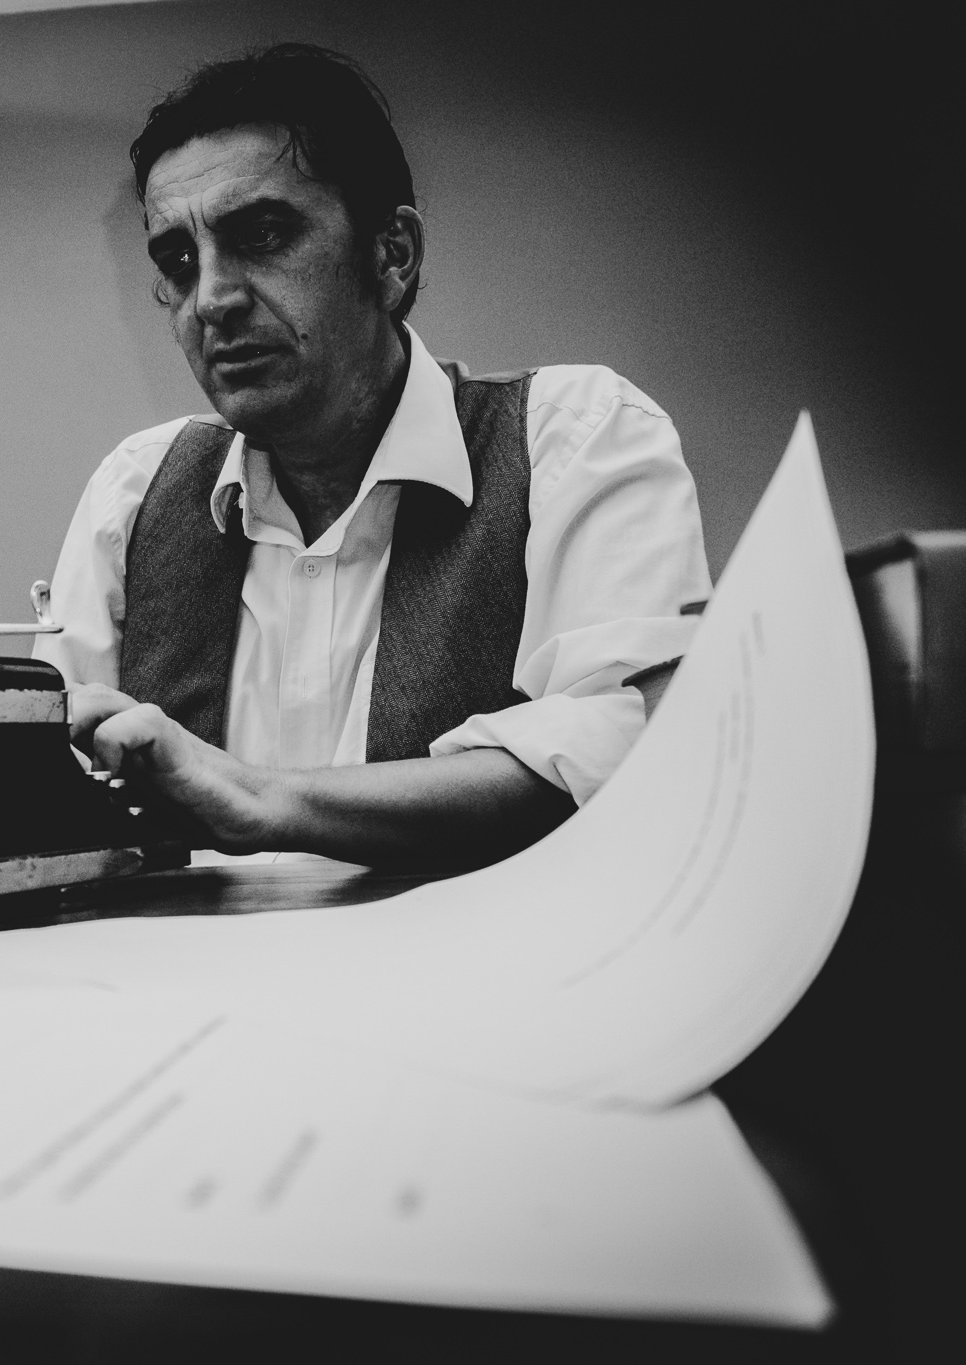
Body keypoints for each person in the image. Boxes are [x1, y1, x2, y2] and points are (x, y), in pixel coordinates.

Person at [34, 43, 709, 868]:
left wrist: (260, 799)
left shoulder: (576, 435)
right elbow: (44, 784)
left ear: (392, 254)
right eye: (179, 262)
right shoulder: (133, 493)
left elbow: (631, 745)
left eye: (263, 234)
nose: (211, 299)